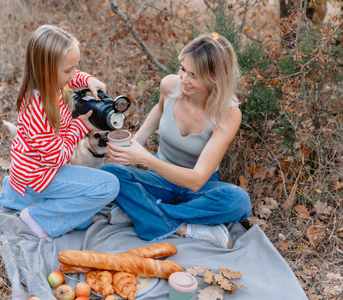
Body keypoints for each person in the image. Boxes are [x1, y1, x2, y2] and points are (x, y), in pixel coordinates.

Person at [101, 33, 251, 249]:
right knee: (110, 174)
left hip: (198, 187)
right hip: (159, 179)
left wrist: (145, 159)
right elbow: (160, 109)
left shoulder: (228, 112)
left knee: (238, 202)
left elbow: (197, 180)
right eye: (183, 69)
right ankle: (185, 227)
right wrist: (136, 142)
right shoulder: (170, 85)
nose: (184, 79)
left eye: (194, 75)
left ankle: (143, 213)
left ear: (215, 77)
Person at [0, 24, 119, 241]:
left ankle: (17, 195)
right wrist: (80, 127)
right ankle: (38, 216)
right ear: (46, 70)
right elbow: (56, 157)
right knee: (109, 186)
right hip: (42, 174)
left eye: (75, 67)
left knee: (81, 221)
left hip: (34, 172)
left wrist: (87, 80)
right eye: (68, 70)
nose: (73, 74)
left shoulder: (49, 86)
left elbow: (71, 77)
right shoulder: (38, 108)